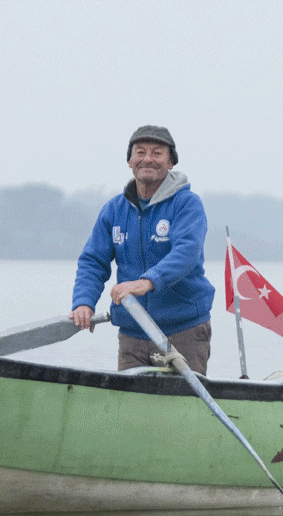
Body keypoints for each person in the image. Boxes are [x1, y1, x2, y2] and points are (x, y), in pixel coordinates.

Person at [70, 125, 214, 374]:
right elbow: (94, 261)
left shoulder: (187, 204)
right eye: (140, 152)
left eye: (157, 153)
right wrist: (84, 302)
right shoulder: (114, 209)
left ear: (170, 162)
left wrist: (147, 282)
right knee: (130, 410)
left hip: (183, 331)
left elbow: (187, 252)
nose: (148, 158)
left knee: (182, 410)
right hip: (132, 334)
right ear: (130, 161)